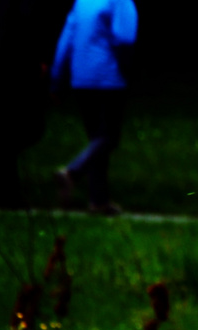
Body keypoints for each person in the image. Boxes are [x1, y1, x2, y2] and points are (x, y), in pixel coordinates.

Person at [0, 0, 72, 208]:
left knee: (13, 130)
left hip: (6, 68)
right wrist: (36, 63)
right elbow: (26, 31)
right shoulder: (19, 7)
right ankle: (5, 191)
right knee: (25, 127)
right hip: (15, 71)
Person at [50, 0, 137, 215]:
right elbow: (125, 38)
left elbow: (66, 39)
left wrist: (56, 79)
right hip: (108, 77)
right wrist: (128, 70)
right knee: (109, 137)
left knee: (95, 141)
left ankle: (98, 200)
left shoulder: (82, 2)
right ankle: (72, 172)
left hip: (81, 78)